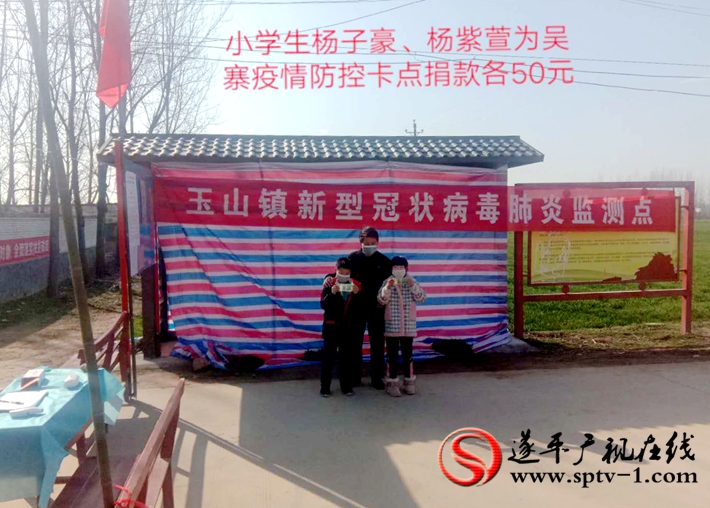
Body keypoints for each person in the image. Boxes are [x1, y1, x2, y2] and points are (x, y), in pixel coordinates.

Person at [340, 227, 392, 389]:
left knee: (377, 344)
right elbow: (339, 274)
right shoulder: (352, 258)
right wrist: (328, 278)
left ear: (378, 243)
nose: (369, 246)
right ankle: (355, 376)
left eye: (373, 243)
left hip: (377, 308)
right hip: (357, 307)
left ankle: (377, 378)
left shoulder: (384, 262)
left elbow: (393, 281)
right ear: (360, 242)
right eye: (366, 243)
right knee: (355, 343)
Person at [377, 255, 427, 397]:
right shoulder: (387, 281)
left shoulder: (412, 281)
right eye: (395, 267)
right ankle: (391, 382)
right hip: (392, 324)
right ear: (391, 269)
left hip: (408, 325)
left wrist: (413, 286)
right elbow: (381, 300)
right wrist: (387, 287)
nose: (398, 269)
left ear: (406, 268)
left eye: (401, 267)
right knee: (392, 355)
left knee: (408, 355)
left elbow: (422, 298)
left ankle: (409, 381)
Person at [319, 257, 361, 397]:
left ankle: (346, 387)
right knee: (328, 359)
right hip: (331, 328)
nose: (343, 275)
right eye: (341, 272)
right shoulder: (329, 283)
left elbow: (361, 307)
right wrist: (332, 293)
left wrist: (357, 294)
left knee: (346, 359)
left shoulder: (356, 284)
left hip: (347, 329)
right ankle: (325, 387)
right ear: (335, 271)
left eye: (346, 272)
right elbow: (323, 305)